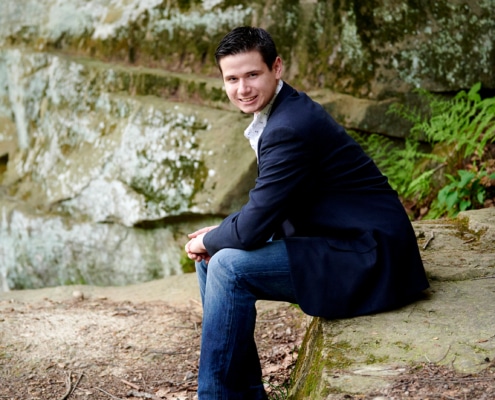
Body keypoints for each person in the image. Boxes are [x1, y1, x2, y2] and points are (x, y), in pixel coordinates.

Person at [185, 26, 429, 399]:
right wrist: (218, 234)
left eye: (252, 74)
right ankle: (244, 394)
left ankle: (214, 396)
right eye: (231, 79)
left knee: (226, 265)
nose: (242, 88)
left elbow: (253, 226)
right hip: (342, 239)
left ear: (276, 68)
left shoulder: (290, 128)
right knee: (212, 259)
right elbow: (266, 204)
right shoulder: (282, 112)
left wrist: (214, 238)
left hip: (372, 256)